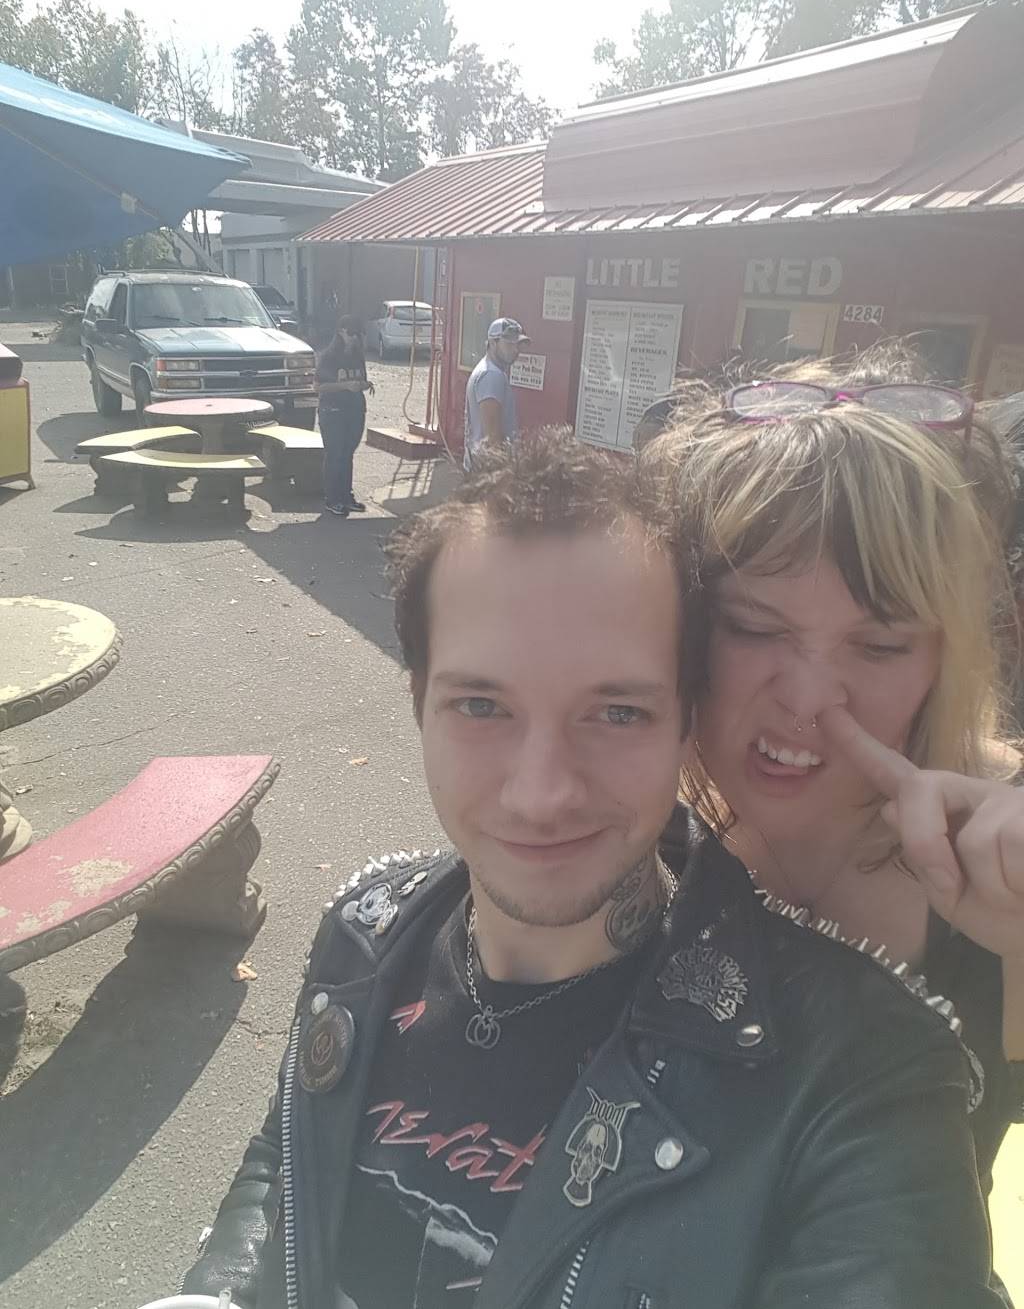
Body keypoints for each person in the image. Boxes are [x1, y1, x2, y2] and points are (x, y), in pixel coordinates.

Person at [180, 427, 1000, 1309]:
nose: (541, 795)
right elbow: (292, 1160)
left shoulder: (866, 1066)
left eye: (616, 713)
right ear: (418, 701)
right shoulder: (364, 932)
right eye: (481, 704)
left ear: (685, 719)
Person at [646, 345, 1024, 1196]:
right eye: (755, 627)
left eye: (881, 644)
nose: (809, 697)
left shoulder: (1005, 841)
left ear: (947, 655)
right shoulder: (634, 822)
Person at [316, 314, 375, 518]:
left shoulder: (357, 356)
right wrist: (345, 386)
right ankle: (332, 499)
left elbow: (360, 379)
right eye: (351, 333)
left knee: (348, 453)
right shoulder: (329, 357)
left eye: (358, 334)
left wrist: (364, 385)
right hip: (333, 411)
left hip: (355, 409)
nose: (355, 338)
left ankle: (346, 496)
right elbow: (318, 386)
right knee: (335, 454)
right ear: (341, 331)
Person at [463, 317, 529, 470]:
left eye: (518, 344)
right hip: (488, 469)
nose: (515, 350)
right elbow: (492, 436)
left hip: (480, 464)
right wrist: (503, 473)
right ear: (493, 343)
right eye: (509, 344)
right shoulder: (492, 375)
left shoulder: (488, 370)